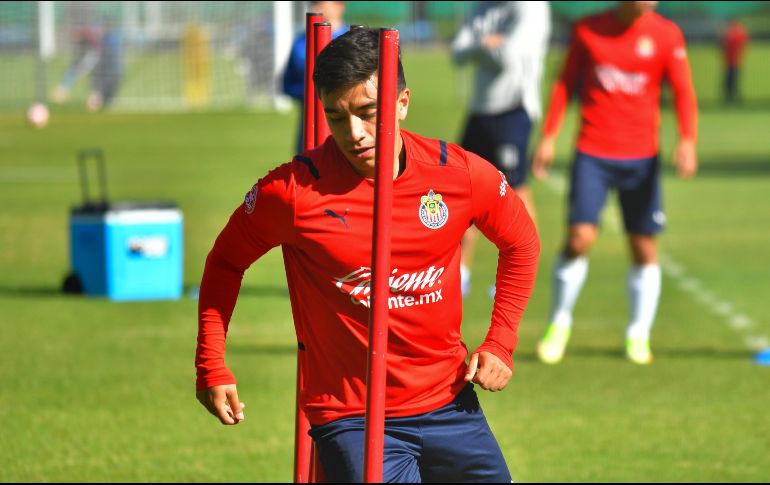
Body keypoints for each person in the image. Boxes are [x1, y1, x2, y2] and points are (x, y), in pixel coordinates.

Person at [195, 28, 540, 482]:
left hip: (450, 403)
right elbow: (226, 261)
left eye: (367, 112)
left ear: (402, 103)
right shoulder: (294, 192)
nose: (353, 134)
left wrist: (500, 342)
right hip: (351, 416)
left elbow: (521, 241)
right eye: (336, 117)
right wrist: (211, 363)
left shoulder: (456, 173)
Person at [531, 1, 698, 365]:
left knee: (643, 246)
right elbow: (564, 86)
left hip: (642, 159)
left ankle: (638, 333)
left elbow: (683, 91)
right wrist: (548, 136)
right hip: (593, 153)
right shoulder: (588, 29)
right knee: (579, 239)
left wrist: (687, 140)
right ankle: (559, 322)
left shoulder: (667, 34)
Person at [450, 1, 551, 297]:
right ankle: (461, 274)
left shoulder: (530, 7)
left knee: (516, 188)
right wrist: (488, 44)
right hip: (480, 110)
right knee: (464, 188)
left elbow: (509, 57)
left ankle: (520, 269)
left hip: (514, 109)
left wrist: (479, 45)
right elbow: (457, 52)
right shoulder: (482, 7)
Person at [281, 1, 348, 154]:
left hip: (343, 123)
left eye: (322, 3)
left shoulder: (352, 41)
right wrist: (312, 93)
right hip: (308, 122)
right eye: (314, 3)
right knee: (308, 169)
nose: (316, 7)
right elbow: (287, 83)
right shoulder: (300, 42)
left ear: (340, 6)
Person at [721, 18, 749, 105]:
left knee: (733, 81)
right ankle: (730, 98)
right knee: (729, 81)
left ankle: (733, 97)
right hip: (730, 62)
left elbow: (727, 42)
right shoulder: (733, 32)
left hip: (734, 61)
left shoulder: (735, 32)